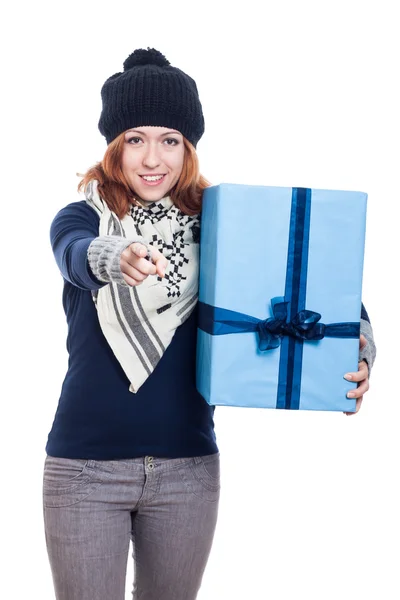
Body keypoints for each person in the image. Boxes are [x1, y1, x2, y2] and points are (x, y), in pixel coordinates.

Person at [42, 47, 376, 600]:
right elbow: (75, 254)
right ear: (113, 147)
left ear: (189, 147)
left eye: (169, 140)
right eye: (135, 139)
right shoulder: (83, 216)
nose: (153, 159)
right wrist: (115, 258)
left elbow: (323, 286)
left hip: (188, 473)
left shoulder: (225, 226)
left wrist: (360, 349)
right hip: (84, 474)